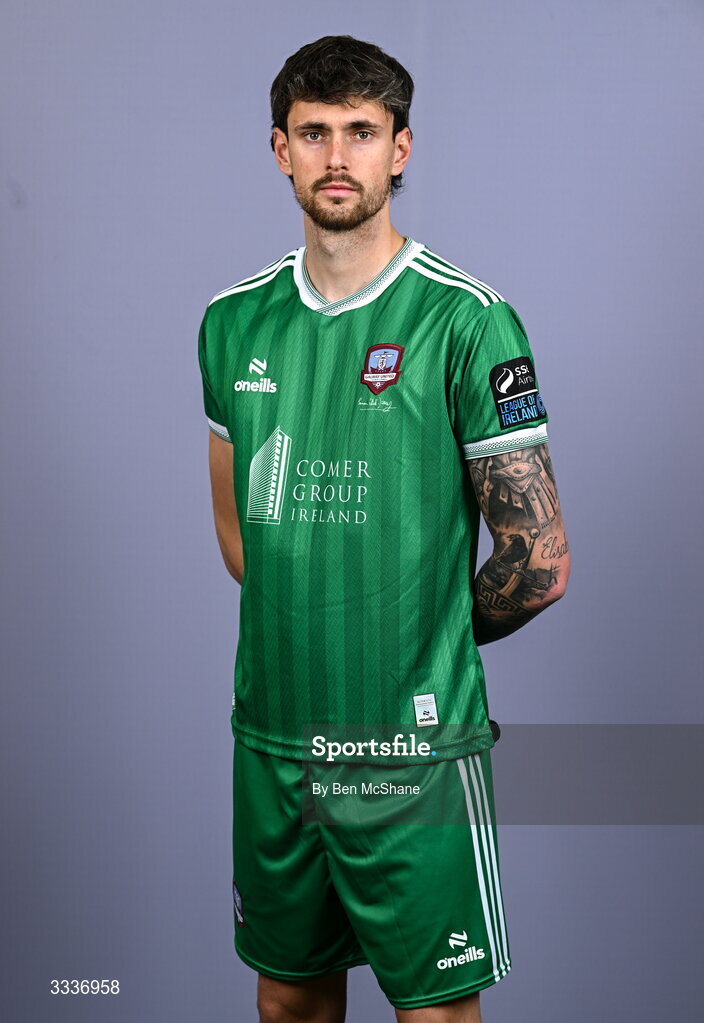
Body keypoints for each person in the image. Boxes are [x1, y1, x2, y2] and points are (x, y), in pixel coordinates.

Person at [198, 34, 570, 1023]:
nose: (335, 157)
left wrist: (419, 639)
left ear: (398, 149)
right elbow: (243, 535)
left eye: (360, 132)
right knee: (289, 1004)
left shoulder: (467, 321)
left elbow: (534, 566)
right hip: (275, 740)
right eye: (313, 132)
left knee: (435, 1014)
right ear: (278, 148)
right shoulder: (231, 324)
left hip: (410, 754)